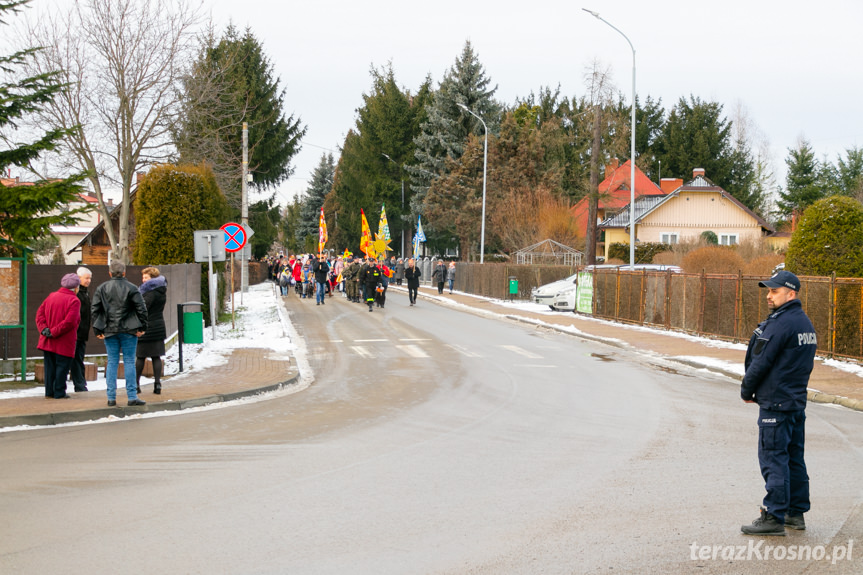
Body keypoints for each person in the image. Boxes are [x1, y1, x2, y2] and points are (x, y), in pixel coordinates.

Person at [740, 270, 817, 536]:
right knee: (794, 459)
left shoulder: (781, 323)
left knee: (773, 459)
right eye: (768, 291)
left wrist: (746, 390)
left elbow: (761, 362)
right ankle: (795, 513)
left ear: (791, 294)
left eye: (774, 291)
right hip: (795, 403)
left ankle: (773, 516)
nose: (769, 296)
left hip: (776, 404)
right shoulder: (805, 323)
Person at [91, 260, 148, 407]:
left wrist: (98, 329)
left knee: (112, 362)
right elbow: (141, 309)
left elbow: (95, 310)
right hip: (129, 329)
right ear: (124, 273)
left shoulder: (102, 288)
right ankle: (132, 396)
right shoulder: (132, 288)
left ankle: (111, 397)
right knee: (129, 361)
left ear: (109, 273)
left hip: (109, 330)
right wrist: (142, 327)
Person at [36, 273, 81, 399]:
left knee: (49, 367)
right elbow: (70, 322)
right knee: (62, 367)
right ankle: (59, 392)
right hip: (64, 341)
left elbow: (39, 314)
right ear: (76, 287)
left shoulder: (51, 296)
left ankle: (49, 392)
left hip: (47, 341)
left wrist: (44, 329)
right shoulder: (74, 300)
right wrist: (54, 332)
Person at [135, 267, 167, 395]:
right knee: (156, 356)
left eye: (146, 278)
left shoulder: (149, 293)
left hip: (147, 327)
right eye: (143, 278)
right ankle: (157, 383)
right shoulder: (161, 290)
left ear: (152, 279)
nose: (143, 280)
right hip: (159, 325)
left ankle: (136, 384)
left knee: (141, 357)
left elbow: (143, 309)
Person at [69, 266, 92, 393]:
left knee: (78, 358)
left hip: (82, 333)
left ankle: (80, 383)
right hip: (76, 332)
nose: (88, 281)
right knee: (76, 359)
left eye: (89, 278)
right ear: (78, 278)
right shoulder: (77, 293)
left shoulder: (85, 292)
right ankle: (80, 385)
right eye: (86, 278)